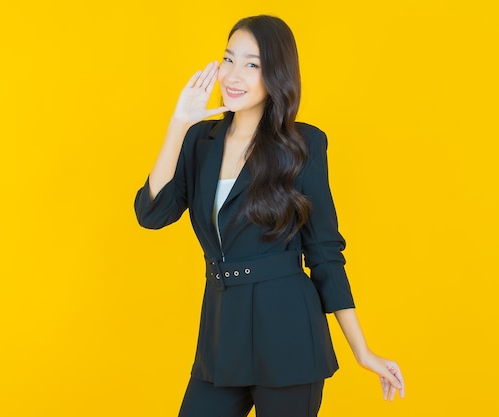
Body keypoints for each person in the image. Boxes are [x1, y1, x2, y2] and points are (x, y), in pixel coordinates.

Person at [134, 14, 404, 417]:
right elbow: (151, 213)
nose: (233, 74)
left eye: (252, 64)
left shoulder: (303, 145)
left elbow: (324, 252)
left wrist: (361, 349)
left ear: (276, 74)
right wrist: (179, 123)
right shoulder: (199, 140)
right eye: (228, 59)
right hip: (221, 337)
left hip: (288, 335)